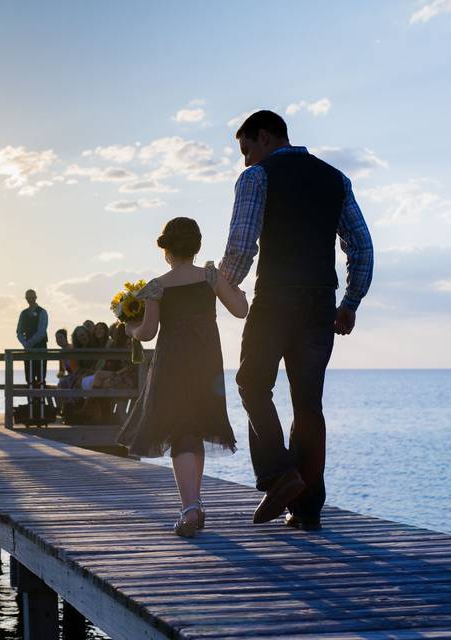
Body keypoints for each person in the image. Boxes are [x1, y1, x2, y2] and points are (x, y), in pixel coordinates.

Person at [221, 110, 374, 531]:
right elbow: (361, 245)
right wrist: (350, 301)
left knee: (251, 383)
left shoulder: (257, 178)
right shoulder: (335, 178)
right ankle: (307, 510)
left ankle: (279, 474)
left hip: (276, 299)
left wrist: (225, 286)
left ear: (265, 136)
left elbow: (241, 242)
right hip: (321, 303)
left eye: (247, 148)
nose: (246, 159)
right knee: (308, 404)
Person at [118, 217, 248, 537]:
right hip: (206, 361)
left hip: (171, 363)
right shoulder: (210, 277)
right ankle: (195, 503)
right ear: (195, 246)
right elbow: (241, 310)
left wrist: (129, 328)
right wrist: (238, 290)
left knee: (180, 430)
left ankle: (189, 507)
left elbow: (148, 333)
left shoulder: (158, 286)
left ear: (167, 249)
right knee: (197, 427)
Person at [16, 289, 49, 387]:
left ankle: (41, 402)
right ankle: (30, 401)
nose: (30, 299)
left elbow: (41, 331)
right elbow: (19, 331)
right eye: (28, 297)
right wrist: (25, 343)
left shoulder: (42, 312)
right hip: (28, 350)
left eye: (32, 297)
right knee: (29, 377)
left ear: (36, 297)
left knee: (41, 376)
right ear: (26, 298)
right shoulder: (23, 313)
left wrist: (30, 343)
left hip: (40, 347)